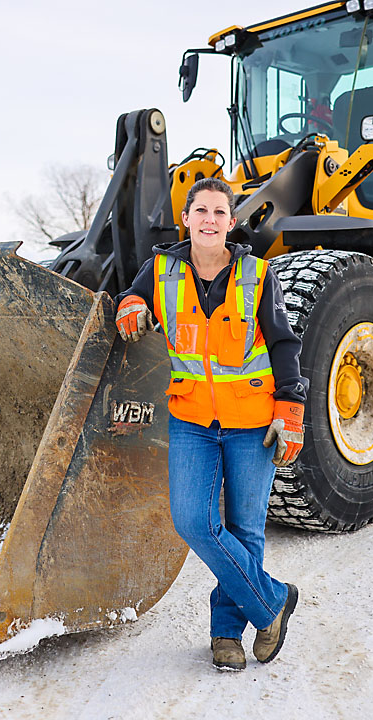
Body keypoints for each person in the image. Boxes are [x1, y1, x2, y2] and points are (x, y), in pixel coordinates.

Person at [114, 177, 308, 671]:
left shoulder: (258, 274)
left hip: (253, 420)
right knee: (192, 520)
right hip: (192, 420)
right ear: (186, 218)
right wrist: (132, 306)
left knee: (246, 530)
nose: (210, 220)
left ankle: (227, 633)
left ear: (232, 221)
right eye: (201, 210)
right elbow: (131, 299)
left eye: (220, 212)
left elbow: (283, 345)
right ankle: (272, 602)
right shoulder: (161, 269)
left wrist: (291, 409)